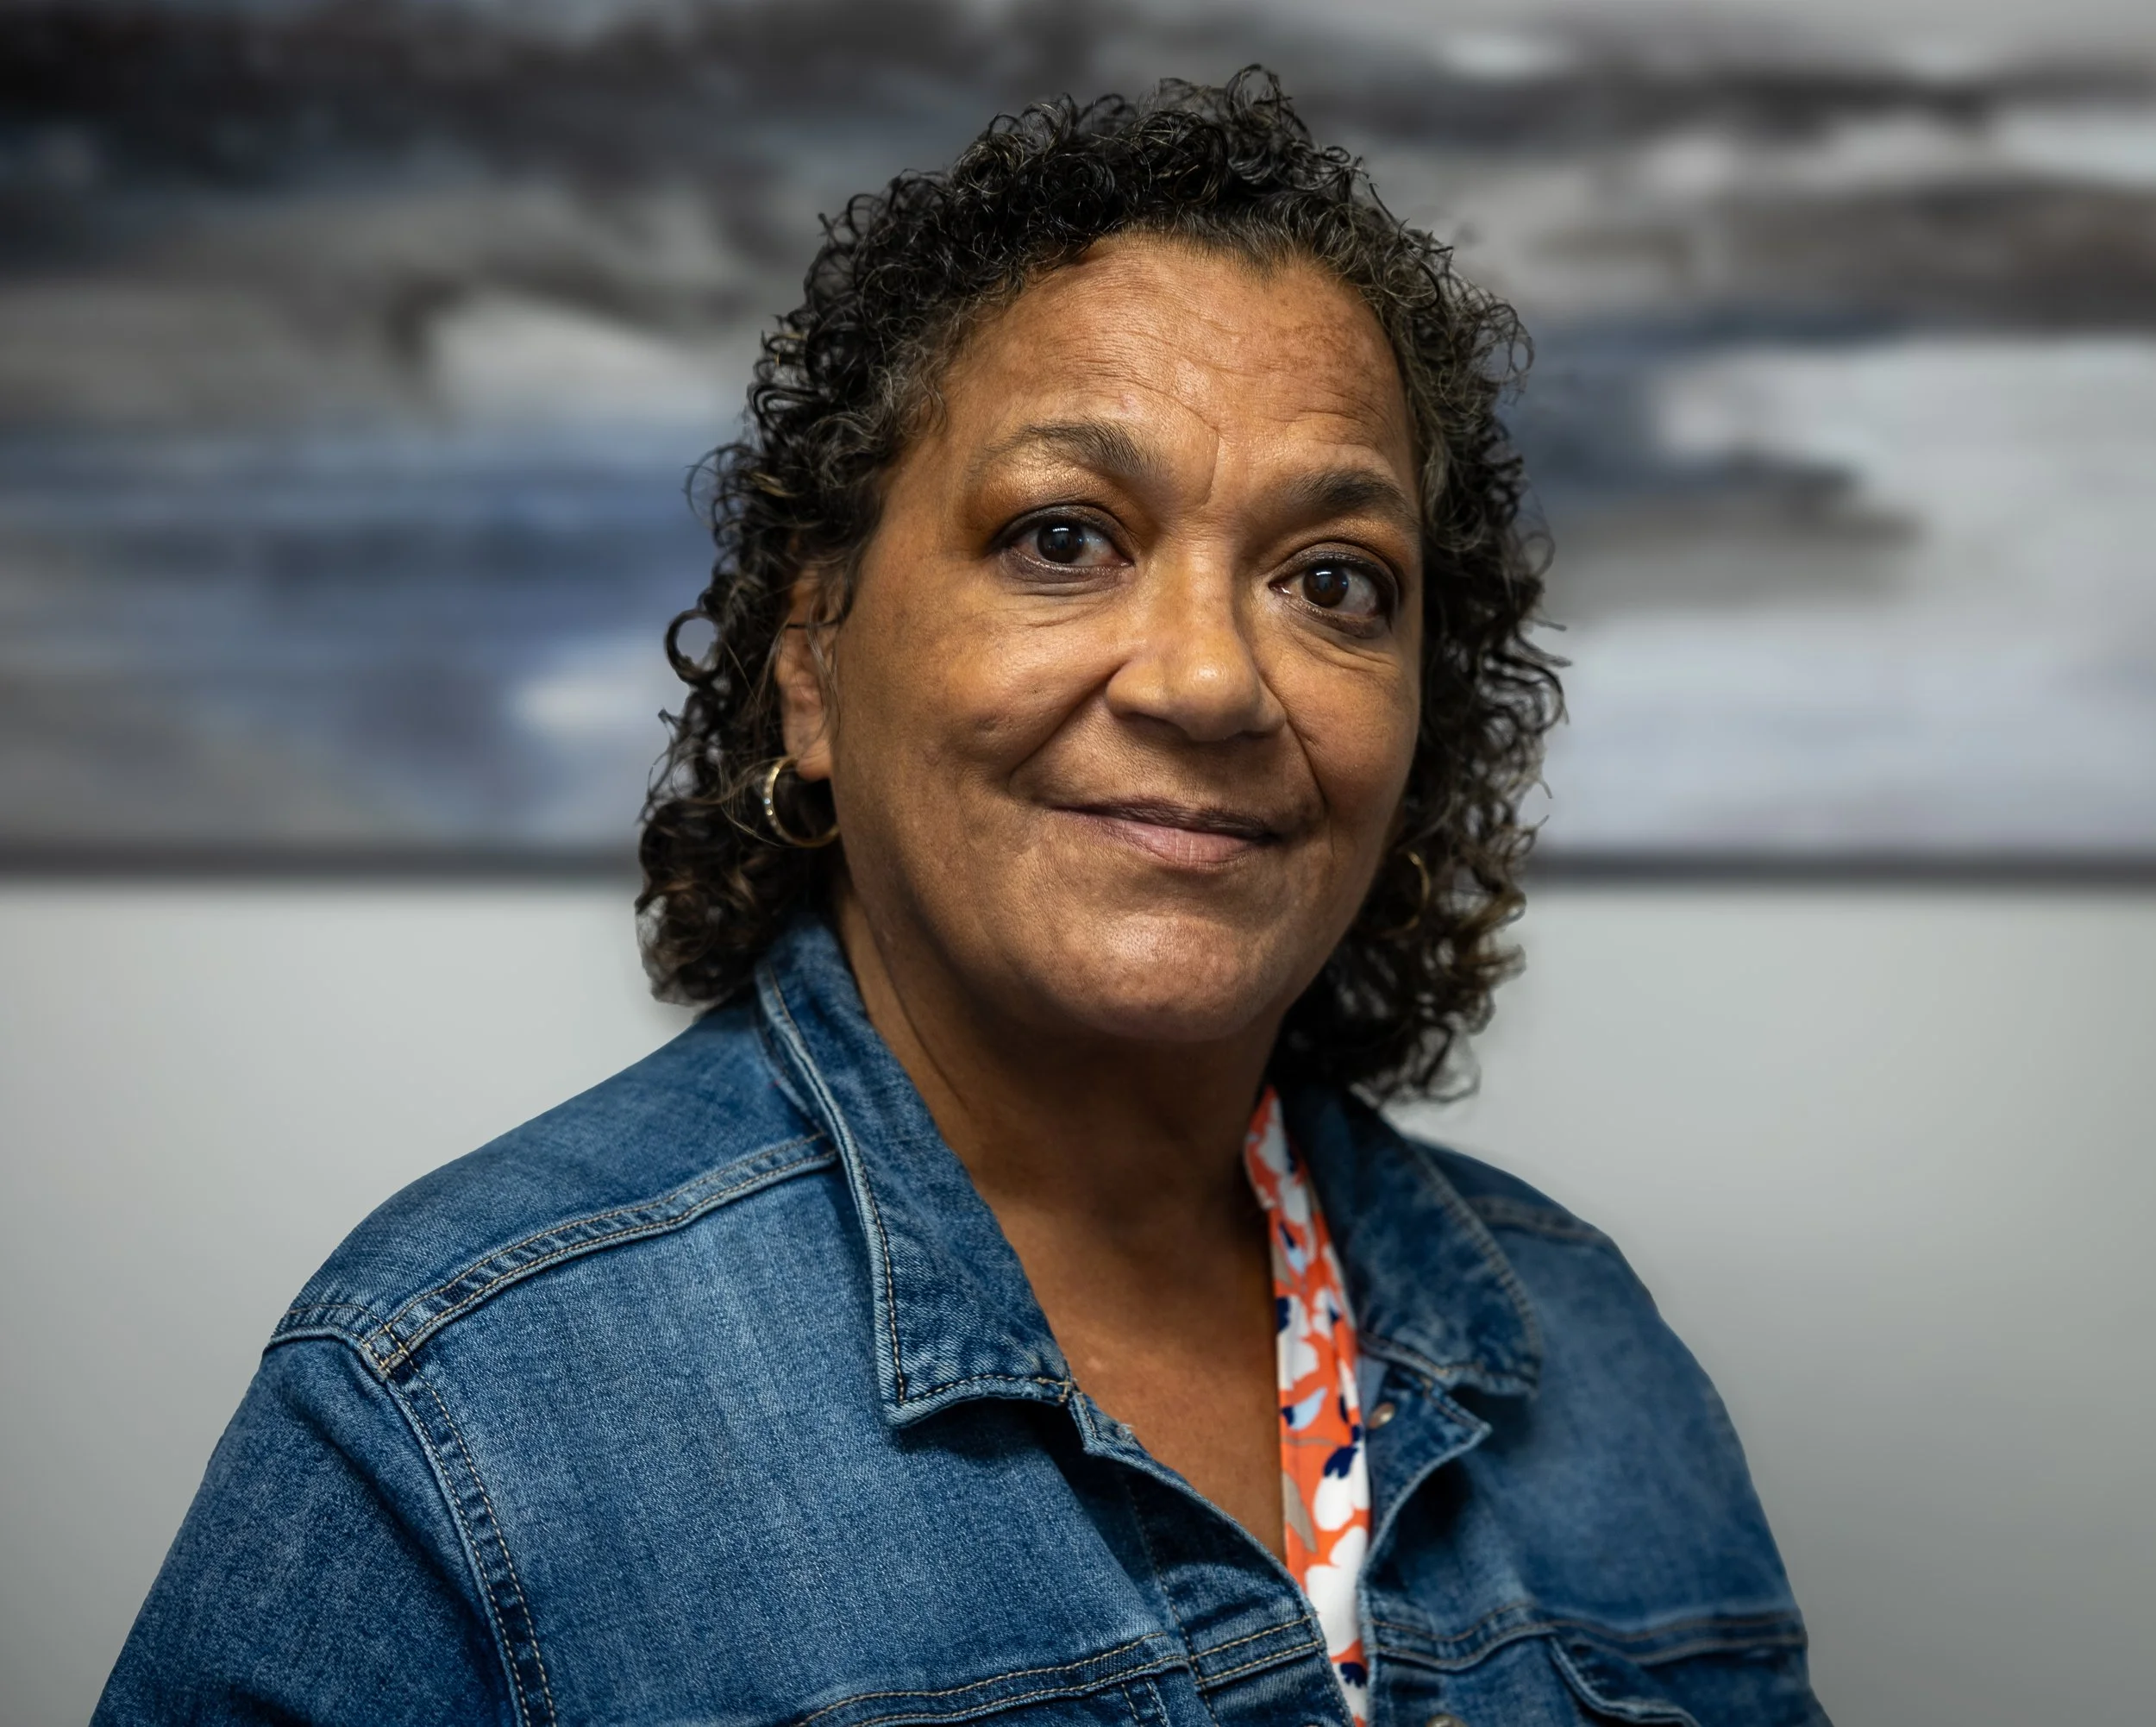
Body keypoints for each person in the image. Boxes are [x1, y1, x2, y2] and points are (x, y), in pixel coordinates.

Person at [97, 73, 1826, 1727]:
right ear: (811, 667)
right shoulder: (453, 1399)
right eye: (1063, 537)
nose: (1212, 682)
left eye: (1329, 578)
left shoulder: (1585, 1350)